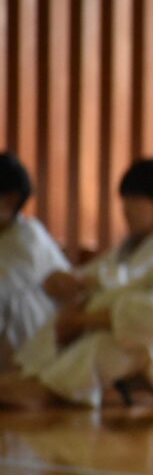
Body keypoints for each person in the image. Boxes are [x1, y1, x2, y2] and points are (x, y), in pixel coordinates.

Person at [0, 162, 153, 409]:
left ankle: (48, 390)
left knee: (117, 342)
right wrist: (81, 315)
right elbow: (123, 294)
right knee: (94, 315)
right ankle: (34, 377)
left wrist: (85, 321)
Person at [42, 158, 153, 305]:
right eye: (125, 200)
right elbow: (90, 272)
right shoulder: (131, 245)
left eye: (135, 200)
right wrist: (66, 280)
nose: (127, 209)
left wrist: (89, 282)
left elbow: (130, 282)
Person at [0, 152, 70, 368]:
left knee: (16, 301)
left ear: (11, 199)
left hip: (45, 345)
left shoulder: (28, 236)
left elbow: (4, 287)